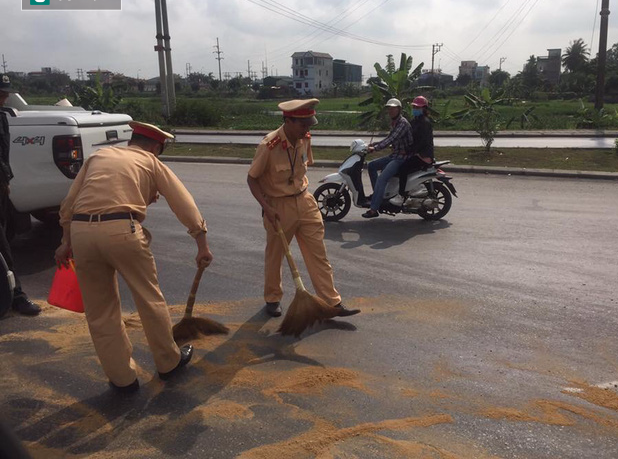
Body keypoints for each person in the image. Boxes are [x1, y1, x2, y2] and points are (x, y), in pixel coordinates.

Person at [54, 121, 213, 392]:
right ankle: (168, 363)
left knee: (100, 310)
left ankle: (122, 379)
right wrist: (201, 242)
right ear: (154, 147)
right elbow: (182, 201)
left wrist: (65, 241)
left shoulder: (99, 155)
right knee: (149, 299)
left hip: (81, 232)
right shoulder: (151, 162)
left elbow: (70, 203)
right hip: (121, 230)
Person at [247, 99, 360, 318]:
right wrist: (266, 207)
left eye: (309, 125)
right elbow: (252, 179)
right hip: (278, 207)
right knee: (275, 255)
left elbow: (301, 169)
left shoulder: (304, 139)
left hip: (306, 201)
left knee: (319, 255)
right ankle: (272, 298)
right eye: (302, 125)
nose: (307, 129)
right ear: (287, 121)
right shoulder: (268, 146)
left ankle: (331, 303)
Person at [0, 76, 41, 317]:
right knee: (3, 245)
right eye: (1, 93)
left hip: (1, 187)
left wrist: (5, 180)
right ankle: (16, 295)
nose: (4, 97)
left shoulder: (2, 118)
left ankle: (14, 295)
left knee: (3, 240)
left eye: (5, 93)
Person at [362, 98, 413, 218]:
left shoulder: (402, 124)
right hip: (394, 155)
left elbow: (391, 139)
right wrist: (372, 145)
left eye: (393, 108)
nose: (390, 111)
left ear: (399, 109)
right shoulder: (395, 122)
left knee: (382, 178)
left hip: (402, 157)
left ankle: (374, 209)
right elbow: (388, 138)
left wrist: (375, 149)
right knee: (371, 166)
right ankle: (378, 195)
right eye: (389, 108)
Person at [390, 95, 435, 206]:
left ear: (424, 109)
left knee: (403, 168)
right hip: (417, 153)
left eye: (418, 107)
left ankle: (402, 195)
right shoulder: (415, 121)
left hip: (423, 156)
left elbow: (421, 142)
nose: (415, 109)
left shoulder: (425, 122)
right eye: (414, 107)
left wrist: (408, 151)